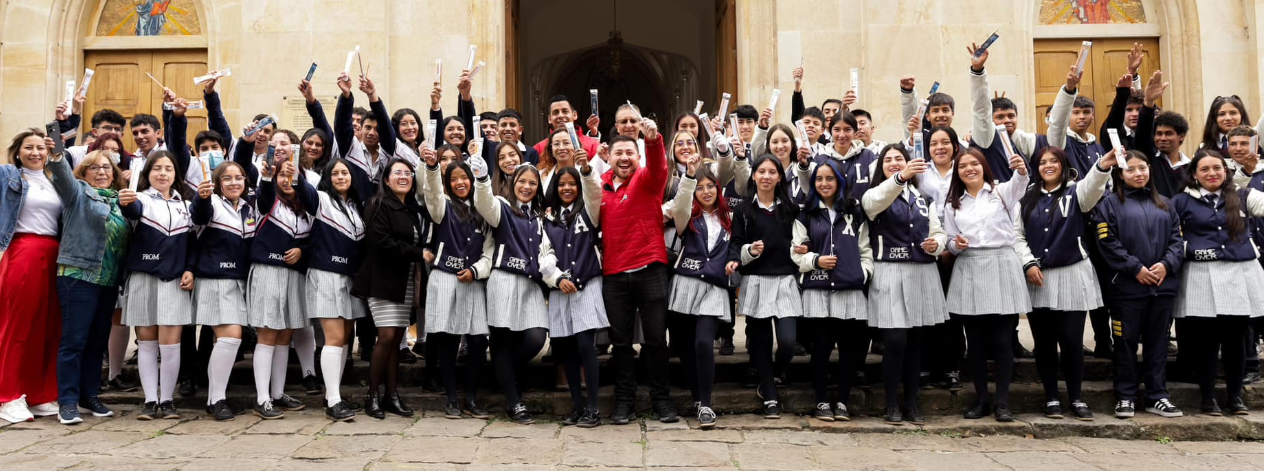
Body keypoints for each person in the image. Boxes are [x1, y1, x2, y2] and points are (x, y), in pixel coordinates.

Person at [1014, 146, 1114, 420]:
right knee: (1044, 342)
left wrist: (1103, 165)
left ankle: (1077, 398)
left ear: (1063, 164)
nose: (1048, 165)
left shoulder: (1077, 193)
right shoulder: (1026, 198)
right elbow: (1017, 235)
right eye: (1043, 162)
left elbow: (1093, 187)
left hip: (1072, 274)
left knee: (1071, 340)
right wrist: (1028, 262)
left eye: (1053, 161)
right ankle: (1051, 398)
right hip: (1039, 277)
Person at [860, 144, 949, 425]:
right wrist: (899, 178)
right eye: (888, 160)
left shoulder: (924, 197)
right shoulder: (876, 194)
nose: (894, 163)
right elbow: (873, 203)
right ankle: (890, 404)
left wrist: (938, 244)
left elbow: (938, 231)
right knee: (895, 341)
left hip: (921, 272)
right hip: (889, 271)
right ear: (881, 166)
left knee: (915, 343)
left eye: (900, 159)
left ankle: (911, 403)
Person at [1093, 150, 1184, 419]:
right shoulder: (1108, 204)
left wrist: (1166, 265)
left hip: (1162, 287)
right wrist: (1136, 269)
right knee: (1125, 343)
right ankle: (1125, 396)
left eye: (1142, 168)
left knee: (1158, 343)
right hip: (1127, 289)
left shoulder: (1165, 204)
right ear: (1120, 174)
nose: (1138, 173)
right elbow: (1107, 242)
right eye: (1131, 169)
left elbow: (1178, 241)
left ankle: (1158, 395)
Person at [943, 148, 1030, 422]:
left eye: (974, 164)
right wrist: (956, 244)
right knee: (976, 341)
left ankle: (1002, 402)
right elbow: (948, 240)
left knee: (1003, 339)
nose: (969, 169)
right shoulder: (953, 204)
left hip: (1001, 262)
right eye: (963, 166)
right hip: (970, 265)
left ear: (984, 166)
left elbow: (1020, 182)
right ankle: (981, 399)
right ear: (957, 172)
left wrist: (1021, 168)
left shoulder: (1002, 193)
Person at [1175, 150, 1264, 416]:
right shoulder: (1180, 201)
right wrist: (1189, 250)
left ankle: (1235, 397)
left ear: (1226, 171)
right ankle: (1207, 397)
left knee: (1236, 339)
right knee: (1206, 341)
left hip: (1239, 272)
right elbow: (1170, 235)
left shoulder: (1243, 195)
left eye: (1217, 168)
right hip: (1202, 275)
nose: (1212, 173)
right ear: (1194, 174)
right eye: (1205, 169)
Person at [599, 119, 674, 425]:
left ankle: (661, 400)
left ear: (638, 156)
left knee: (656, 339)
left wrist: (653, 140)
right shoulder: (599, 186)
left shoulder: (646, 178)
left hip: (650, 267)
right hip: (615, 273)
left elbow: (659, 169)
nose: (624, 157)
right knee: (620, 343)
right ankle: (624, 402)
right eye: (618, 153)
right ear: (609, 157)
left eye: (630, 152)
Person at [470, 151, 552, 425]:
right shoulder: (502, 206)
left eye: (532, 183)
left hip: (530, 285)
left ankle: (502, 375)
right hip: (503, 280)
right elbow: (484, 204)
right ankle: (514, 402)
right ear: (513, 182)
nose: (527, 186)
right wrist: (481, 178)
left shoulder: (539, 218)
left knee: (535, 338)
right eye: (522, 181)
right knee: (502, 340)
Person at [52, 149, 130, 424]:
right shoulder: (77, 195)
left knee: (97, 342)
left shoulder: (122, 201)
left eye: (106, 167)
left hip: (108, 280)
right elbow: (62, 176)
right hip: (78, 275)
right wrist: (57, 154)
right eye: (94, 167)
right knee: (74, 341)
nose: (101, 172)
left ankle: (88, 395)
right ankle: (68, 401)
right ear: (83, 173)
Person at [791, 159, 871, 422]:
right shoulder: (806, 214)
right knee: (822, 346)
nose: (824, 183)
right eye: (819, 179)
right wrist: (815, 260)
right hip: (819, 290)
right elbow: (796, 253)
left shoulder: (854, 212)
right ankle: (822, 401)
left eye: (830, 178)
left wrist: (863, 273)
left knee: (849, 349)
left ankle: (843, 402)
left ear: (839, 181)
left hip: (849, 290)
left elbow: (865, 250)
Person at [119, 150, 193, 421]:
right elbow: (131, 208)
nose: (162, 173)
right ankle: (150, 400)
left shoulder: (185, 204)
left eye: (168, 169)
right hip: (144, 278)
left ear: (176, 174)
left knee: (171, 344)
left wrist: (190, 269)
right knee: (147, 342)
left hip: (174, 280)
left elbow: (193, 243)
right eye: (157, 168)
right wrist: (126, 201)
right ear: (147, 173)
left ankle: (168, 399)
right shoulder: (138, 199)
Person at [0, 129, 67, 423]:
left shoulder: (55, 179)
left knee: (48, 326)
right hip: (23, 250)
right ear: (18, 151)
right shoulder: (8, 176)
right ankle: (8, 396)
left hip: (55, 253)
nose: (35, 153)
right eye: (29, 147)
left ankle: (38, 393)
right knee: (17, 326)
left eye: (41, 147)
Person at [352, 158, 427, 419]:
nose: (404, 176)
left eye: (408, 173)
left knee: (396, 340)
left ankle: (391, 396)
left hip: (404, 281)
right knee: (385, 338)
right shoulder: (378, 203)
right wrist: (419, 253)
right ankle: (372, 396)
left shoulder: (411, 208)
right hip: (382, 280)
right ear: (386, 179)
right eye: (398, 173)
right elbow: (380, 241)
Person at [728, 155, 802, 419]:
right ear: (754, 176)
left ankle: (778, 372)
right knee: (760, 343)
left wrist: (801, 250)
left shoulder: (790, 208)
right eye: (761, 171)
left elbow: (800, 240)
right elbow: (735, 243)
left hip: (785, 279)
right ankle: (769, 395)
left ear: (780, 177)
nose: (767, 176)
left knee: (788, 341)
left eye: (772, 171)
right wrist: (748, 252)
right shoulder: (744, 210)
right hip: (756, 279)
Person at [417, 156, 492, 420]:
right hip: (445, 278)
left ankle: (471, 397)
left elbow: (489, 251)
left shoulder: (483, 210)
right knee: (448, 340)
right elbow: (433, 192)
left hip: (472, 281)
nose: (460, 183)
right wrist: (433, 168)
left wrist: (476, 271)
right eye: (454, 179)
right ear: (447, 184)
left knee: (477, 340)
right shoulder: (442, 206)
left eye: (464, 178)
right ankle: (451, 399)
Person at [243, 145, 312, 420]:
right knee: (268, 332)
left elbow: (312, 240)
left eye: (291, 175)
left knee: (286, 334)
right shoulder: (267, 201)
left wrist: (302, 252)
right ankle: (262, 398)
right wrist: (269, 177)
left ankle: (277, 392)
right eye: (282, 175)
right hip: (268, 271)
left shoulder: (306, 209)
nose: (287, 180)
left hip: (294, 275)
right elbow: (264, 194)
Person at [296, 157, 368, 421]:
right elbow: (301, 187)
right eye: (335, 173)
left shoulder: (356, 207)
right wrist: (292, 164)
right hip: (325, 275)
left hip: (350, 278)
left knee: (346, 336)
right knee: (334, 337)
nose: (340, 177)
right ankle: (334, 401)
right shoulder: (320, 200)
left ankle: (332, 394)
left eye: (345, 173)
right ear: (328, 177)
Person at [666, 155, 733, 428]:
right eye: (700, 187)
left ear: (718, 189)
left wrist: (742, 256)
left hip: (714, 287)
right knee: (685, 347)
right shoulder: (686, 217)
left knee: (704, 342)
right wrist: (689, 178)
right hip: (685, 285)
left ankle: (706, 403)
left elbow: (738, 245)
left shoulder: (730, 218)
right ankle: (696, 397)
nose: (706, 191)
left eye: (710, 186)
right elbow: (681, 202)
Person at [540, 163, 607, 428]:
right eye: (562, 184)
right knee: (565, 349)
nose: (567, 188)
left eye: (572, 184)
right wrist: (557, 277)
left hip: (587, 285)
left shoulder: (588, 211)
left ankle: (593, 408)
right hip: (560, 289)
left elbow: (594, 191)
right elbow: (543, 253)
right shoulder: (548, 218)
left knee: (584, 345)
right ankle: (577, 406)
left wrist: (588, 172)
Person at [188, 160, 255, 421]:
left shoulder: (249, 209)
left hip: (238, 281)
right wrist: (202, 198)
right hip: (215, 278)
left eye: (238, 177)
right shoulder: (212, 202)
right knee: (231, 337)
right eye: (227, 179)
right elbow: (198, 215)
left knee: (225, 340)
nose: (234, 182)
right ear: (217, 183)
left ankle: (216, 397)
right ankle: (216, 399)